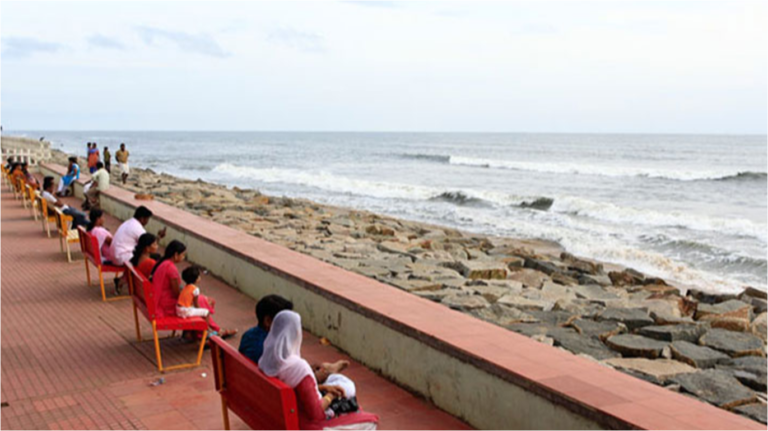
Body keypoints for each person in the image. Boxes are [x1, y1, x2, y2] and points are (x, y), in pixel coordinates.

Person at [259, 311, 378, 431]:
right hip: (303, 423)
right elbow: (317, 414)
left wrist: (323, 388)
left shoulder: (266, 361)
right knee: (371, 422)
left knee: (341, 386)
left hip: (280, 415)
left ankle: (330, 373)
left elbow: (293, 391)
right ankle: (330, 372)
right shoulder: (299, 367)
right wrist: (331, 396)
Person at [150, 241, 236, 338]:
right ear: (176, 255)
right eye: (183, 255)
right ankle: (208, 332)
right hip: (165, 305)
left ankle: (193, 332)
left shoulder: (163, 263)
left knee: (199, 299)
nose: (183, 257)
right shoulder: (171, 269)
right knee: (200, 300)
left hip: (159, 301)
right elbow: (176, 293)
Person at [177, 266, 235, 338]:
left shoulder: (186, 287)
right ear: (196, 279)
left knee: (198, 311)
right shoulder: (195, 289)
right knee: (206, 312)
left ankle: (201, 331)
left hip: (179, 310)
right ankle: (205, 331)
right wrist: (201, 311)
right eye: (199, 276)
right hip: (185, 311)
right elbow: (196, 304)